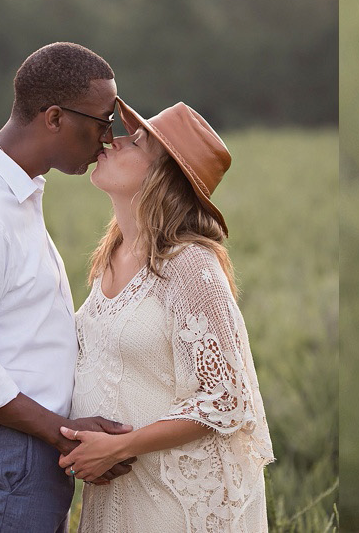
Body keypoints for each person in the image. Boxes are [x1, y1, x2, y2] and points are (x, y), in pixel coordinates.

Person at [0, 42, 136, 532]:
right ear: (54, 117)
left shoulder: (14, 195)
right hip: (5, 457)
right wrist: (63, 432)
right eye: (102, 120)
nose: (107, 138)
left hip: (18, 454)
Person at [58, 100, 273, 532]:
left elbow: (227, 396)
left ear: (163, 175)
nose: (113, 140)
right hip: (120, 492)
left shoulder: (190, 264)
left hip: (178, 503)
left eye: (137, 142)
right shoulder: (109, 257)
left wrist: (119, 447)